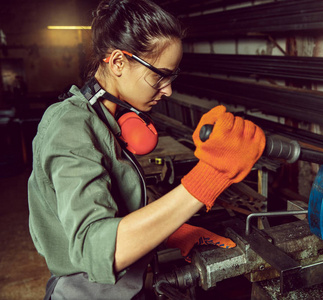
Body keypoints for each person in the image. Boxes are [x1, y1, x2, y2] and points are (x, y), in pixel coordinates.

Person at [27, 0, 265, 299]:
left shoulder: (108, 119)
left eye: (171, 76)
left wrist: (167, 233)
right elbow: (96, 249)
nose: (167, 90)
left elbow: (111, 205)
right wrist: (207, 179)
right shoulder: (70, 128)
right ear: (117, 63)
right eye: (159, 75)